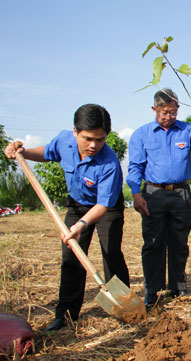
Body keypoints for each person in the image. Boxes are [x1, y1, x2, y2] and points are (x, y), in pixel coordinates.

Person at [4, 104, 130, 331]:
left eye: (100, 140)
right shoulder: (64, 141)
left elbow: (103, 204)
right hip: (77, 204)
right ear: (75, 131)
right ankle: (66, 315)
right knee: (71, 257)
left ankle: (122, 307)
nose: (94, 145)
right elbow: (45, 153)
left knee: (111, 251)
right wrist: (23, 153)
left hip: (106, 207)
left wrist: (81, 225)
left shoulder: (109, 162)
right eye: (88, 138)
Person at [127, 88, 191, 307]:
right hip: (153, 195)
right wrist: (136, 193)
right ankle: (152, 291)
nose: (168, 117)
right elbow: (135, 166)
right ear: (154, 109)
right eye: (164, 112)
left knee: (179, 242)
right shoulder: (141, 134)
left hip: (180, 194)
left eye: (173, 112)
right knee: (153, 243)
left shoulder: (187, 130)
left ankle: (178, 286)